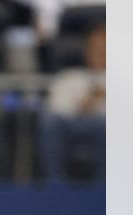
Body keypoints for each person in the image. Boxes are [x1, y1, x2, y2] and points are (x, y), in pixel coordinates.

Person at [38, 25, 104, 182]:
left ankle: (105, 189)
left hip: (106, 127)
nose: (101, 53)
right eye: (96, 47)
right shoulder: (69, 77)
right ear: (87, 49)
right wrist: (90, 101)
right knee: (50, 124)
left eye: (106, 47)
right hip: (70, 125)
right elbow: (56, 109)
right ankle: (56, 187)